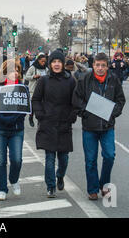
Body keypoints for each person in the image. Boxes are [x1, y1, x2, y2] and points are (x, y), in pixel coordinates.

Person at [73, 53, 126, 200]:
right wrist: (85, 112)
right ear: (93, 65)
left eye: (103, 65)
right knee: (90, 159)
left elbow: (120, 99)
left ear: (107, 66)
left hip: (107, 126)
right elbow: (76, 99)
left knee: (109, 156)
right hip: (89, 126)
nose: (100, 68)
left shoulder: (113, 79)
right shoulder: (85, 79)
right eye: (97, 65)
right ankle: (92, 189)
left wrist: (113, 112)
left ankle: (104, 184)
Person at [32, 51, 77, 198]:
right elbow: (36, 99)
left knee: (63, 158)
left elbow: (75, 101)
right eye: (53, 61)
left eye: (59, 61)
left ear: (63, 64)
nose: (56, 64)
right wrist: (40, 114)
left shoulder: (70, 81)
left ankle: (60, 175)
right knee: (49, 157)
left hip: (64, 123)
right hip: (48, 122)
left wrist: (72, 115)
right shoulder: (43, 81)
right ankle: (50, 186)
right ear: (50, 64)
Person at [0, 60, 27, 201]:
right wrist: (5, 120)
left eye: (17, 70)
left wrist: (13, 120)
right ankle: (1, 189)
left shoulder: (22, 87)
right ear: (5, 72)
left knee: (16, 159)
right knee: (0, 161)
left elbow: (24, 108)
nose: (15, 73)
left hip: (17, 129)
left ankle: (14, 179)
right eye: (12, 70)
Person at [25, 53, 48, 127]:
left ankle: (39, 121)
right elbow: (26, 77)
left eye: (44, 61)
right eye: (42, 61)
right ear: (38, 60)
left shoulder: (46, 68)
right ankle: (31, 117)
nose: (43, 63)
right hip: (33, 90)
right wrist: (34, 76)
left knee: (41, 107)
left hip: (43, 90)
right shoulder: (33, 67)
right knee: (33, 106)